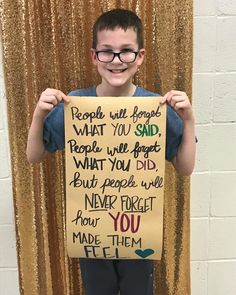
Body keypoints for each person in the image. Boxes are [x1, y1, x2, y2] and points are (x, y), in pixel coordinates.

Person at [27, 8, 196, 295]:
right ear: (94, 57)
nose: (116, 60)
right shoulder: (76, 105)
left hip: (140, 233)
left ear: (140, 57)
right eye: (107, 52)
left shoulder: (154, 107)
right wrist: (38, 115)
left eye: (126, 51)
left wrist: (189, 119)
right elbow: (34, 155)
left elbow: (185, 167)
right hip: (93, 232)